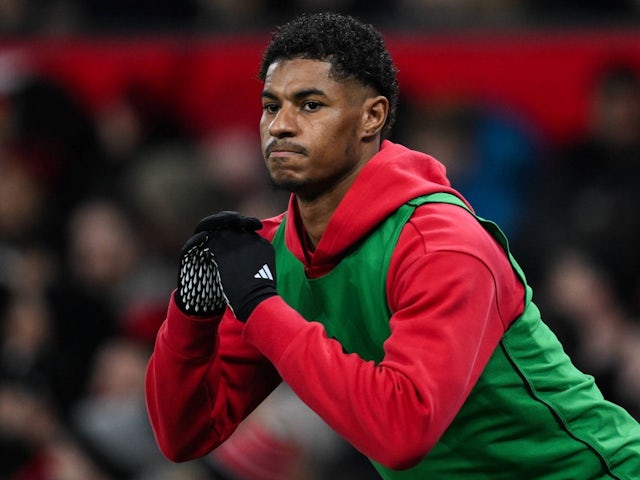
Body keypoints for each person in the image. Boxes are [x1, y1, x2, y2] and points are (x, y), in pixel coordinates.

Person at [145, 12, 640, 479]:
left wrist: (261, 307)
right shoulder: (276, 256)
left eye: (310, 105)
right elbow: (184, 433)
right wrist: (192, 312)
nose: (280, 126)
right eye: (271, 106)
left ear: (371, 118)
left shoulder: (442, 245)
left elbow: (403, 431)